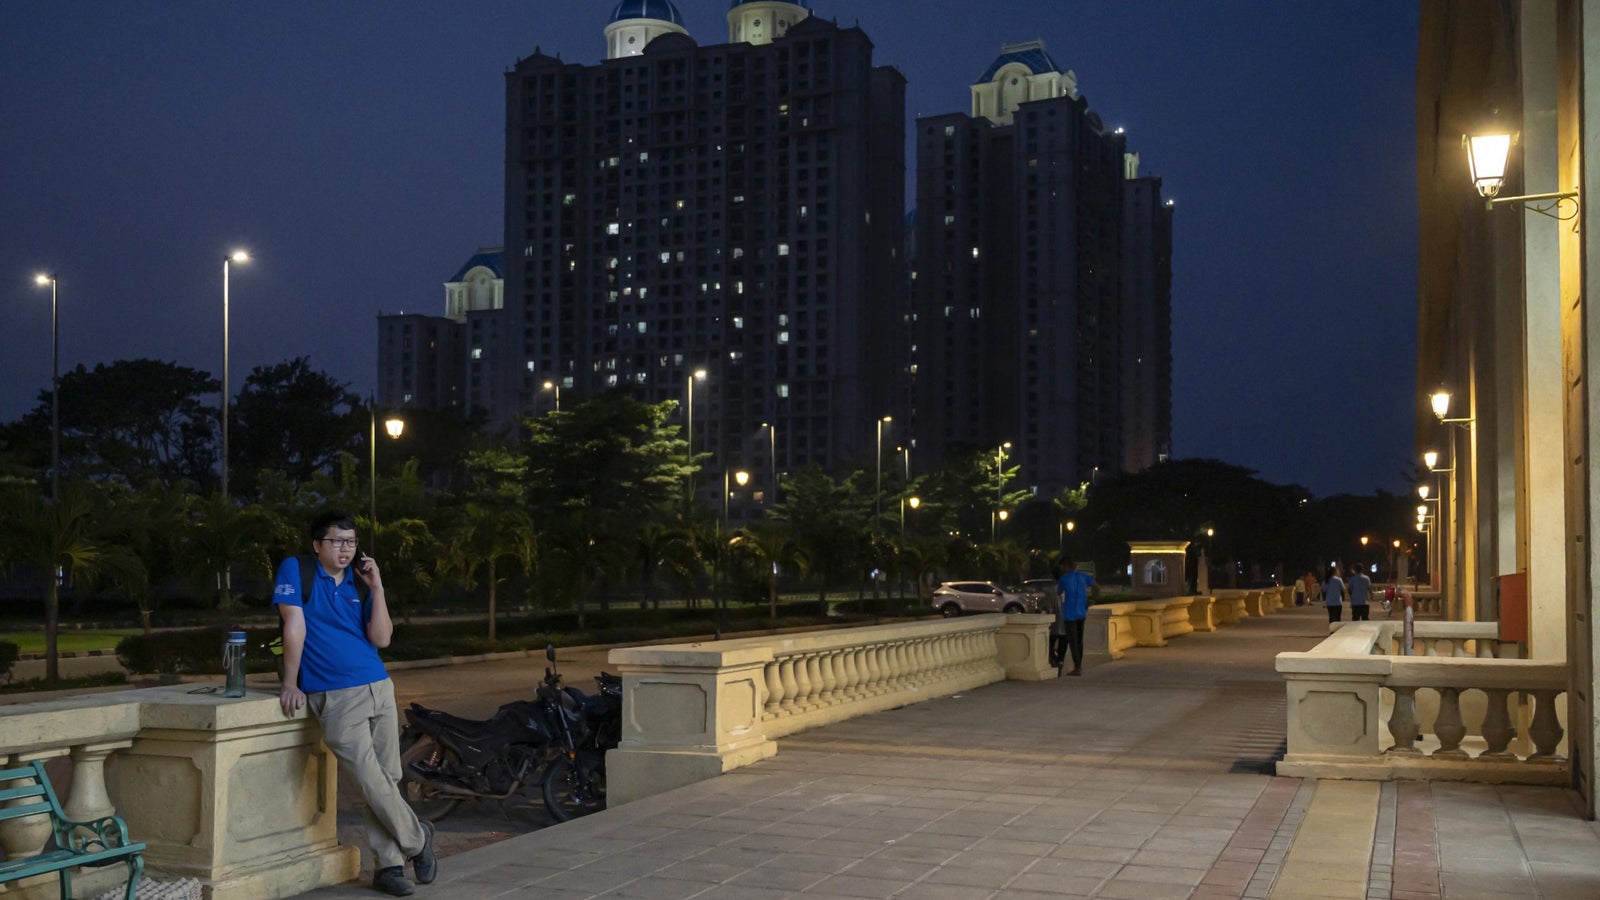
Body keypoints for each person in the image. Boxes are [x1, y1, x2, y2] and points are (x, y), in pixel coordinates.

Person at [274, 511, 436, 897]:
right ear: (317, 544)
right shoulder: (297, 570)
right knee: (369, 778)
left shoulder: (360, 583)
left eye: (351, 542)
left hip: (379, 686)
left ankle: (390, 866)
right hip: (334, 693)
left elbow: (381, 639)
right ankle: (418, 839)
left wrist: (377, 589)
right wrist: (290, 682)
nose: (345, 549)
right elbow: (292, 626)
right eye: (336, 541)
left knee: (386, 778)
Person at [1055, 556, 1099, 676]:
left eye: (1062, 567)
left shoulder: (1064, 579)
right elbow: (1095, 586)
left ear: (1066, 566)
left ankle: (1077, 667)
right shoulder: (1082, 576)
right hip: (1081, 613)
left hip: (1069, 614)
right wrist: (1092, 599)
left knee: (1072, 641)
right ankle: (1079, 665)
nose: (1061, 569)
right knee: (1079, 641)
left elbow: (1058, 592)